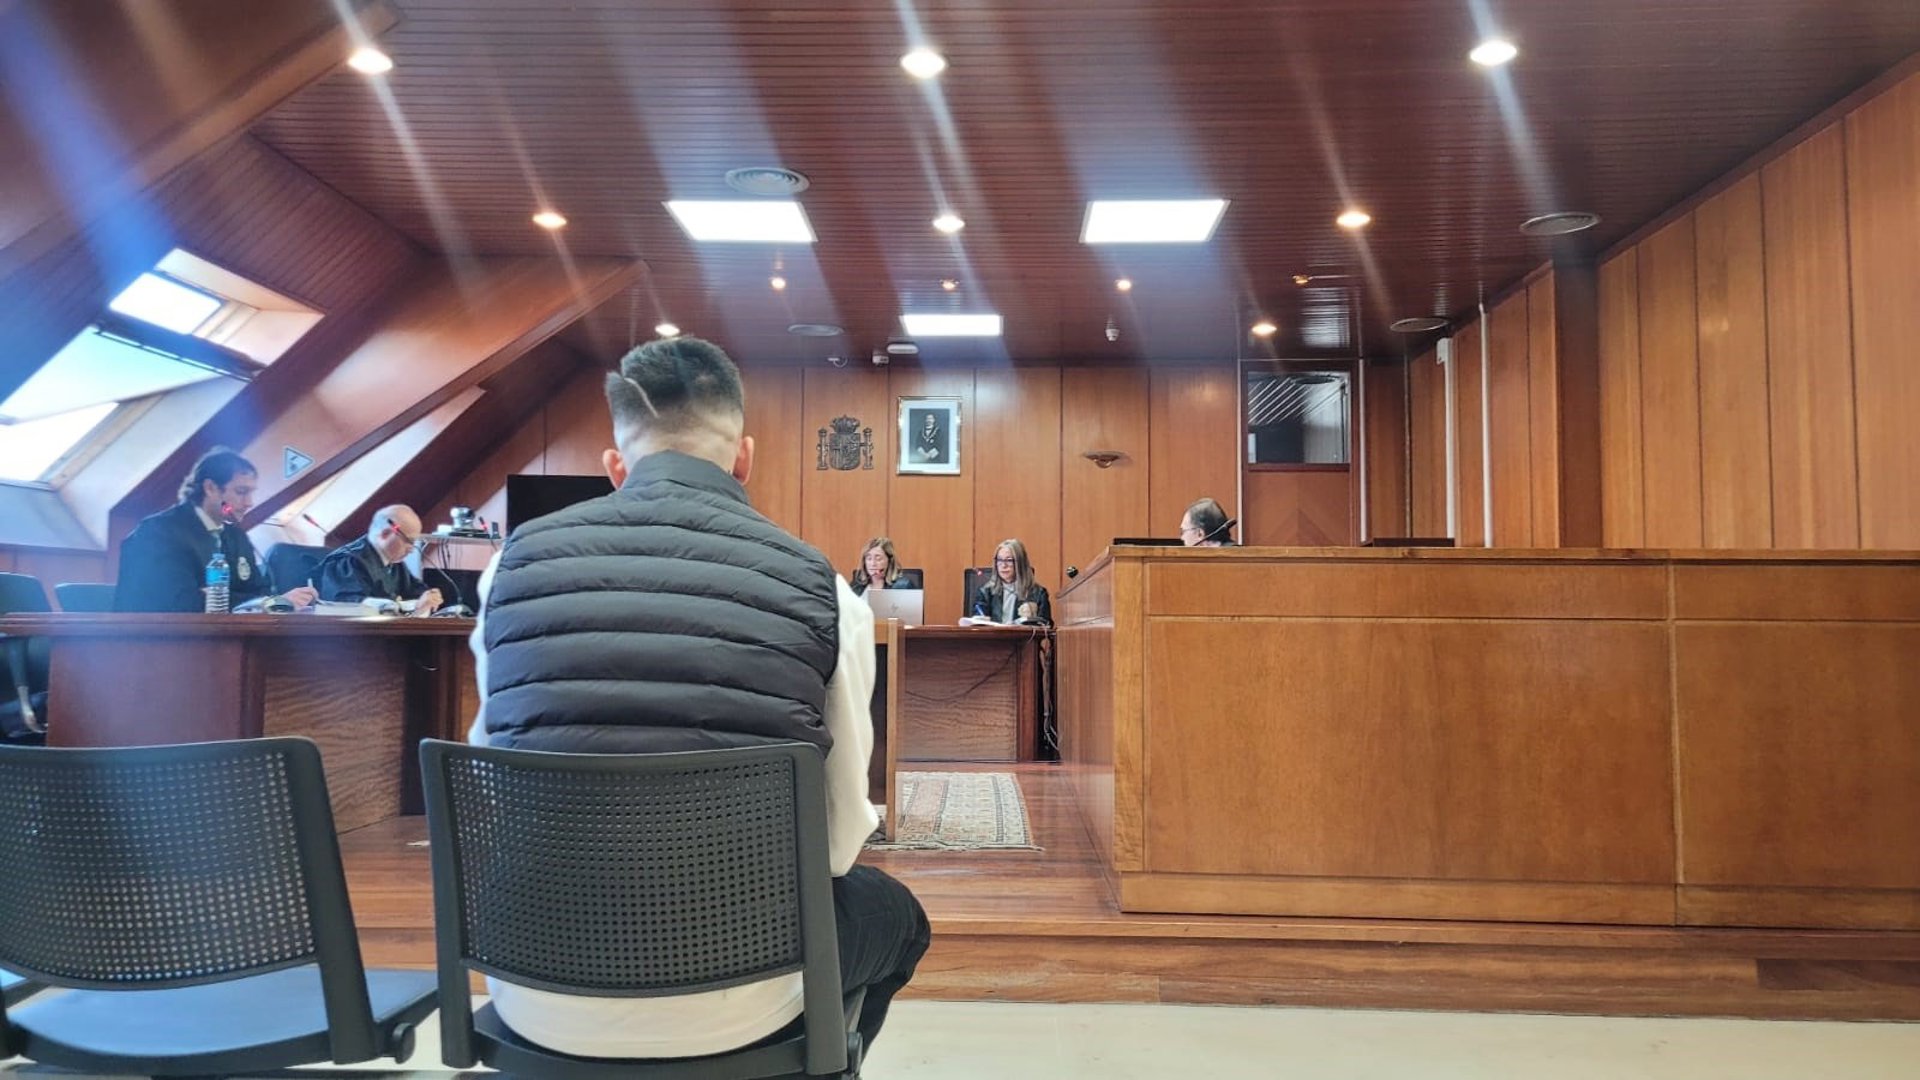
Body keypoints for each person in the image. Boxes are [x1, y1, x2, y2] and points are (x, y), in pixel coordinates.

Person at [466, 335, 927, 1059]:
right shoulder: (826, 591)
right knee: (897, 917)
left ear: (616, 466)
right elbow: (838, 843)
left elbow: (492, 778)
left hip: (531, 980)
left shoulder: (507, 571)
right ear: (744, 457)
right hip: (747, 986)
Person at [113, 448, 318, 613]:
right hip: (157, 644)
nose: (249, 503)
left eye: (251, 493)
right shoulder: (159, 531)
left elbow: (259, 592)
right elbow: (182, 602)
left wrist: (270, 601)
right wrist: (253, 601)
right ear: (210, 488)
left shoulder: (236, 536)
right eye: (241, 492)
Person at [312, 505, 443, 614]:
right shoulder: (349, 560)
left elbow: (414, 590)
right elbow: (345, 604)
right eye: (408, 541)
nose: (412, 549)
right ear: (385, 534)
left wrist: (428, 596)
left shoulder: (395, 563)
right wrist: (396, 605)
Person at [972, 538, 1051, 624]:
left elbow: (1047, 625)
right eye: (999, 560)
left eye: (1009, 560)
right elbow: (978, 622)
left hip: (1022, 633)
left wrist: (1034, 619)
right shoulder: (985, 593)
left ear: (1020, 563)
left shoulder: (1038, 594)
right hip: (995, 633)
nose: (1003, 565)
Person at [849, 537, 920, 595]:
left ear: (889, 561)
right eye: (869, 558)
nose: (873, 564)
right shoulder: (856, 585)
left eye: (878, 559)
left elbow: (912, 609)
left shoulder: (902, 586)